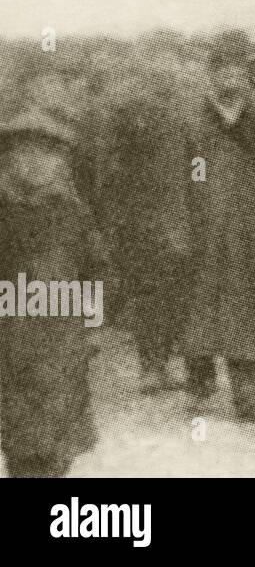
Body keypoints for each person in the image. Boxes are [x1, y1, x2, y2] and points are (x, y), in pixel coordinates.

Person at [0, 61, 102, 477]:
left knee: (60, 437)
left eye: (48, 153)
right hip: (11, 335)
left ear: (61, 159)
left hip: (61, 336)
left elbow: (94, 268)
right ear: (9, 156)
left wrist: (93, 325)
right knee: (23, 439)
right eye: (25, 152)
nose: (36, 163)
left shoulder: (72, 211)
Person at [178, 33, 255, 424]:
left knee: (247, 318)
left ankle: (248, 400)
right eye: (223, 71)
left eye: (238, 71)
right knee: (200, 312)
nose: (231, 79)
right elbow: (180, 181)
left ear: (247, 77)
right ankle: (200, 383)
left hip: (248, 236)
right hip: (203, 233)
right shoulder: (191, 124)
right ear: (212, 75)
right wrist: (181, 231)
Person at [102, 34, 205, 395]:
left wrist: (199, 195)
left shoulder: (191, 109)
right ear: (149, 62)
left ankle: (172, 363)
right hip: (144, 218)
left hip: (186, 214)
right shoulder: (130, 109)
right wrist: (123, 215)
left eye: (173, 58)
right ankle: (151, 366)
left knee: (180, 294)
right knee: (148, 294)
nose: (167, 67)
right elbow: (112, 168)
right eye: (160, 58)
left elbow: (199, 164)